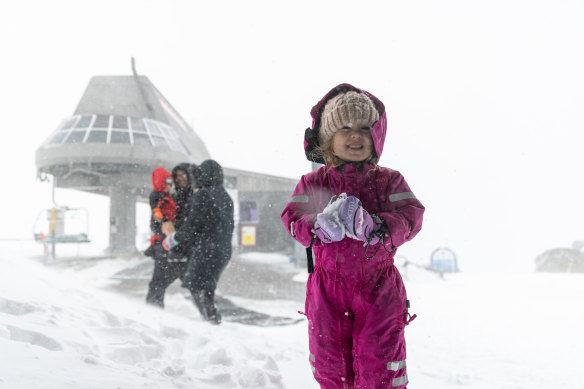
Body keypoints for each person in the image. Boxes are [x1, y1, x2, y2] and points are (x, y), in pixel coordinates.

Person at [281, 84, 425, 388]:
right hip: (326, 292)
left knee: (380, 366)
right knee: (331, 365)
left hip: (379, 290)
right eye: (344, 127)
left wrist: (379, 225)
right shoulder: (312, 182)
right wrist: (316, 226)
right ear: (329, 140)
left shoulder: (390, 180)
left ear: (376, 136)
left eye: (363, 127)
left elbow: (412, 215)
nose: (355, 135)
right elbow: (292, 217)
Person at [162, 160, 234, 324]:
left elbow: (192, 226)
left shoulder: (203, 195)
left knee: (196, 285)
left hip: (207, 249)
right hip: (222, 250)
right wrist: (226, 251)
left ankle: (211, 321)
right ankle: (213, 319)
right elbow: (230, 227)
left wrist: (173, 239)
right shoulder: (226, 197)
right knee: (208, 287)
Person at [144, 167, 181, 308]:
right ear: (160, 182)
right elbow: (157, 213)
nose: (169, 186)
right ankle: (153, 305)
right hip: (162, 240)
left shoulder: (169, 196)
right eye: (166, 183)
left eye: (171, 183)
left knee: (164, 277)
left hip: (169, 239)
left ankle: (155, 303)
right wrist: (164, 221)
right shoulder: (156, 196)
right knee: (159, 278)